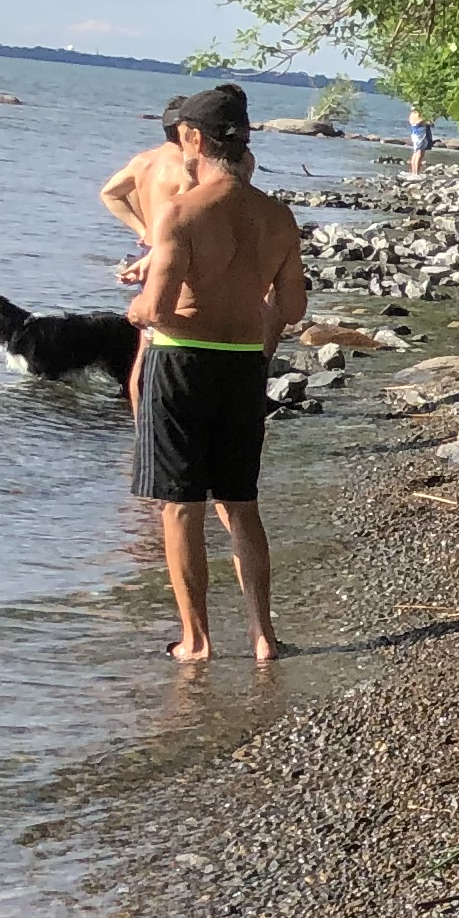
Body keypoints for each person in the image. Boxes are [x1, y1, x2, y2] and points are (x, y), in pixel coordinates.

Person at [126, 85, 306, 662]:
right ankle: (263, 635)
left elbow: (155, 309)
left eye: (183, 138)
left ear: (195, 139)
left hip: (180, 362)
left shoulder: (181, 212)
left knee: (180, 506)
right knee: (242, 502)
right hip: (242, 368)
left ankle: (196, 640)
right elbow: (294, 308)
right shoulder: (278, 217)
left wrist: (134, 306)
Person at [93, 98, 201, 280]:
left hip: (148, 246)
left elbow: (109, 194)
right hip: (171, 251)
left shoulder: (142, 161)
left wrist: (142, 230)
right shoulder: (186, 169)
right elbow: (180, 217)